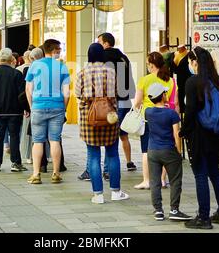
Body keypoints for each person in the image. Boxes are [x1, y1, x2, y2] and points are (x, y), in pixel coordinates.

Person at [180, 46, 219, 230]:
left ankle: (203, 217)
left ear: (194, 62)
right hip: (216, 134)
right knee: (214, 173)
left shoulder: (193, 82)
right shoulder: (218, 82)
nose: (189, 65)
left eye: (189, 62)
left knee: (200, 175)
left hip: (198, 135)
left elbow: (190, 110)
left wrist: (182, 131)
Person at [75, 43, 129, 204]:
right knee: (112, 154)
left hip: (89, 118)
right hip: (110, 117)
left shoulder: (82, 73)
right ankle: (115, 192)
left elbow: (78, 94)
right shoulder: (111, 72)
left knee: (93, 156)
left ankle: (98, 195)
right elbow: (120, 93)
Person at [80, 32, 136, 181]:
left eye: (99, 42)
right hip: (119, 104)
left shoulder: (102, 62)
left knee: (93, 148)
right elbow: (125, 85)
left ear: (105, 44)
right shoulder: (123, 57)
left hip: (97, 110)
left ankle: (92, 174)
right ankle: (113, 174)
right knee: (116, 140)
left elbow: (80, 94)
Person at [25, 39, 70, 184]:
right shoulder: (62, 67)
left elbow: (28, 89)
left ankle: (36, 174)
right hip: (57, 106)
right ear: (55, 50)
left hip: (38, 105)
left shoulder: (34, 65)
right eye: (59, 49)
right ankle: (56, 173)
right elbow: (67, 93)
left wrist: (32, 107)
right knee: (55, 140)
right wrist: (64, 109)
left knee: (37, 141)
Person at [145, 83, 191, 221]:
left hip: (152, 150)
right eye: (165, 93)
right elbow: (176, 134)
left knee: (155, 181)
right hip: (168, 150)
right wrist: (179, 151)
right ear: (163, 96)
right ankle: (174, 210)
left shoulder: (148, 112)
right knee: (175, 180)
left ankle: (158, 210)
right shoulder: (171, 113)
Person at [133, 52, 178, 190]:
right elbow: (174, 102)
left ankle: (147, 180)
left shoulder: (144, 80)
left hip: (149, 118)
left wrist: (136, 107)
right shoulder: (170, 80)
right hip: (166, 117)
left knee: (146, 150)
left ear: (151, 65)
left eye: (147, 64)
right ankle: (162, 179)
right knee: (164, 148)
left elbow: (137, 102)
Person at [0, 48, 27, 172]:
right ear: (11, 60)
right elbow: (21, 94)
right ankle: (15, 163)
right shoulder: (17, 74)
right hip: (15, 111)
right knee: (14, 136)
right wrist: (25, 108)